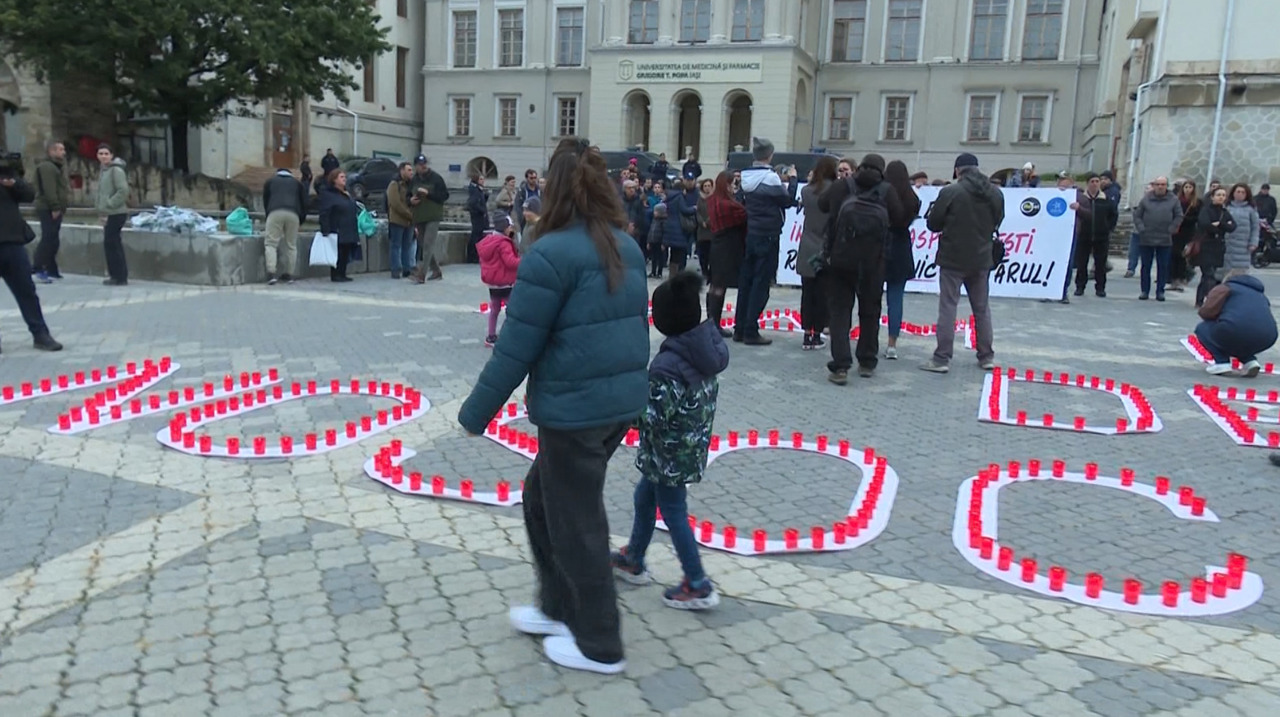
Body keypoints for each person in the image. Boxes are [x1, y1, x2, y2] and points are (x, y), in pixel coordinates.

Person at [457, 137, 649, 675]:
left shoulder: (550, 253)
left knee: (576, 521)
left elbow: (516, 346)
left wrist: (475, 415)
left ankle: (600, 643)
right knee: (542, 499)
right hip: (612, 407)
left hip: (576, 411)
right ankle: (559, 606)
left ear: (555, 188)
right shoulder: (625, 245)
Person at [611, 270, 728, 610]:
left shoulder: (668, 365)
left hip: (668, 455)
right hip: (685, 449)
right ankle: (634, 557)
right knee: (644, 498)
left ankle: (697, 583)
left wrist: (625, 404)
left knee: (673, 512)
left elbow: (652, 416)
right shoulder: (703, 350)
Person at [818, 154, 902, 382]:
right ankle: (867, 361)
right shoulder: (886, 190)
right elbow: (899, 218)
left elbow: (822, 204)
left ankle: (841, 365)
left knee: (839, 311)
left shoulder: (843, 185)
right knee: (870, 311)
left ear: (860, 167)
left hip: (840, 258)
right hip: (874, 262)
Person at [920, 153, 1002, 374]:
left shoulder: (951, 192)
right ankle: (986, 356)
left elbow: (934, 224)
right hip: (982, 257)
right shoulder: (994, 193)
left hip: (953, 257)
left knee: (948, 306)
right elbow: (998, 220)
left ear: (957, 171)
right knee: (981, 308)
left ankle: (942, 358)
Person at [733, 137, 798, 347]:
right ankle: (751, 330)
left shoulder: (745, 176)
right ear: (769, 155)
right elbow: (787, 200)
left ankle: (739, 327)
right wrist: (793, 180)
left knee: (746, 281)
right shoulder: (770, 178)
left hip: (752, 232)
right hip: (769, 233)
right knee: (761, 283)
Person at [0, 164, 63, 353]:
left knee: (26, 291)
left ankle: (40, 334)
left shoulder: (4, 173)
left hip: (12, 243)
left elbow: (29, 195)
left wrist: (13, 183)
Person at [1195, 272, 1276, 377]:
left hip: (1236, 330)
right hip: (1268, 336)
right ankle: (1250, 362)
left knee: (1203, 329)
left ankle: (1221, 362)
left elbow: (1206, 312)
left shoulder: (1226, 288)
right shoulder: (1260, 294)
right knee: (1239, 337)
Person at [883, 160, 922, 359]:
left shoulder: (882, 194)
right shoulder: (912, 198)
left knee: (871, 298)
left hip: (880, 244)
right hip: (901, 247)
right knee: (896, 298)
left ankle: (868, 337)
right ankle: (892, 343)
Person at [796, 158, 836, 351]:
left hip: (807, 243)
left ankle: (806, 333)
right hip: (826, 245)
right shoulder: (834, 190)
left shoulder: (806, 191)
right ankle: (817, 333)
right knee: (822, 294)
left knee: (807, 293)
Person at [705, 171, 746, 338]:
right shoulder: (729, 205)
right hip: (728, 246)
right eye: (732, 183)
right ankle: (714, 323)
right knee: (720, 285)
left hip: (716, 244)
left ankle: (711, 322)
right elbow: (744, 216)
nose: (733, 187)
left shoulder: (712, 201)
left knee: (715, 285)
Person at [1131, 176, 1182, 301]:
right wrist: (1141, 228)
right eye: (1158, 184)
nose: (1160, 187)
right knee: (1145, 266)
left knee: (1163, 266)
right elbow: (1137, 216)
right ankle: (1144, 291)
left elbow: (1179, 216)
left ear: (1167, 186)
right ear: (1154, 185)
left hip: (1165, 238)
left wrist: (1172, 228)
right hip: (1147, 237)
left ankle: (1160, 291)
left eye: (1163, 184)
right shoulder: (1146, 199)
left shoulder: (1174, 200)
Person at [1071, 173, 1119, 298]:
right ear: (1087, 183)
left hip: (1101, 236)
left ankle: (1100, 288)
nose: (1095, 184)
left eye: (1097, 181)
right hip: (1084, 235)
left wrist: (1108, 228)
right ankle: (1080, 287)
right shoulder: (1082, 199)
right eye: (1092, 181)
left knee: (1100, 264)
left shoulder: (1105, 199)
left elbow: (1113, 215)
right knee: (1082, 263)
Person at [477, 210, 520, 347]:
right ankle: (510, 336)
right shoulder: (504, 243)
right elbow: (510, 262)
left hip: (492, 283)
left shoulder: (489, 240)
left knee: (494, 309)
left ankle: (490, 336)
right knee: (512, 310)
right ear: (505, 228)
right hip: (505, 282)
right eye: (510, 227)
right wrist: (524, 261)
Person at [32, 140, 69, 283]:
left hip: (53, 207)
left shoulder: (56, 166)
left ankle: (51, 268)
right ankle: (38, 267)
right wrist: (55, 207)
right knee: (48, 238)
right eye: (60, 149)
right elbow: (49, 189)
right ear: (51, 151)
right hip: (47, 207)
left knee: (53, 239)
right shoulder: (47, 167)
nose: (63, 152)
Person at [261, 166, 306, 285]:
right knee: (291, 245)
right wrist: (301, 219)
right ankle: (289, 274)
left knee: (271, 243)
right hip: (293, 213)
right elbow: (304, 202)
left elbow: (266, 200)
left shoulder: (270, 181)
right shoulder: (297, 184)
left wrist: (268, 214)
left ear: (277, 173)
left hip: (275, 211)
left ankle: (271, 273)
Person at [409, 155, 449, 282]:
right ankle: (436, 271)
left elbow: (444, 196)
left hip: (433, 216)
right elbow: (408, 195)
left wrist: (428, 194)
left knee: (428, 244)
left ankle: (421, 274)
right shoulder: (414, 180)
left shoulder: (436, 178)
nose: (424, 166)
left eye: (425, 163)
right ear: (416, 166)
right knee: (423, 244)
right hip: (419, 216)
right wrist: (410, 200)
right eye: (421, 164)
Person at [95, 144, 130, 286]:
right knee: (111, 244)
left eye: (106, 154)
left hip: (116, 212)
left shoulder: (116, 170)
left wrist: (109, 204)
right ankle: (116, 275)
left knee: (112, 244)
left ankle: (119, 276)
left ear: (111, 155)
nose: (103, 156)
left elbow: (123, 190)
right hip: (109, 212)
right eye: (101, 153)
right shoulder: (104, 171)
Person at [1195, 186, 1235, 307]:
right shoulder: (1206, 210)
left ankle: (1200, 300)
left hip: (1218, 247)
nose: (1221, 197)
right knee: (1209, 274)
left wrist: (1220, 224)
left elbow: (1232, 226)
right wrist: (1220, 227)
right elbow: (1205, 224)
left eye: (1223, 195)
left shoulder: (1224, 212)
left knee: (1208, 276)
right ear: (1212, 197)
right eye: (1218, 195)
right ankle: (1210, 301)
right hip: (1206, 245)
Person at [317, 168, 359, 282]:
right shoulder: (329, 194)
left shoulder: (346, 193)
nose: (344, 179)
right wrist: (325, 229)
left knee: (345, 251)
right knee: (338, 252)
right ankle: (336, 274)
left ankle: (342, 273)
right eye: (341, 177)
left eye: (345, 177)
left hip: (348, 227)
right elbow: (324, 212)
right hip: (337, 227)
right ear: (334, 180)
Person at [662, 174, 699, 276]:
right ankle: (679, 275)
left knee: (673, 254)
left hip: (670, 227)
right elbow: (684, 210)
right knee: (681, 253)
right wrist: (694, 208)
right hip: (679, 228)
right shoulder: (679, 197)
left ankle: (672, 274)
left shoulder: (670, 197)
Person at [385, 162, 416, 278]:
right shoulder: (394, 184)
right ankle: (396, 269)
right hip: (397, 220)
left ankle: (407, 269)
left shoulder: (411, 185)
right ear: (402, 171)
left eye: (412, 170)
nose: (411, 172)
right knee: (396, 245)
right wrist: (408, 214)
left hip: (409, 221)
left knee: (407, 246)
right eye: (409, 170)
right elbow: (395, 203)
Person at [1171, 180, 1201, 290]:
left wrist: (1185, 219)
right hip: (1176, 231)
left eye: (1190, 187)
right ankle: (1174, 278)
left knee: (1183, 255)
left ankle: (1183, 275)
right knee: (1174, 254)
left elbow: (1198, 217)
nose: (1188, 190)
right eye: (1186, 187)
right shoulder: (1177, 200)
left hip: (1188, 231)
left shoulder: (1197, 202)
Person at [1224, 183, 1260, 275]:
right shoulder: (1226, 207)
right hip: (1226, 244)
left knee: (1239, 274)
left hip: (1243, 246)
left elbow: (1255, 227)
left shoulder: (1251, 209)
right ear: (1233, 193)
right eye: (1238, 192)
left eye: (1243, 192)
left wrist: (1253, 243)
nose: (1240, 194)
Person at [466, 173, 489, 264]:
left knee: (477, 235)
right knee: (476, 235)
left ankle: (474, 256)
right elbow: (473, 203)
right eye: (481, 179)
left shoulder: (478, 190)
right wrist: (482, 210)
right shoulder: (475, 190)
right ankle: (472, 256)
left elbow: (480, 201)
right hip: (477, 216)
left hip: (479, 215)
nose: (483, 181)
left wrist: (485, 196)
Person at [695, 178, 714, 280]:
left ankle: (711, 272)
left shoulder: (714, 199)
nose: (707, 188)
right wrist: (701, 221)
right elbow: (697, 212)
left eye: (709, 186)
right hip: (702, 231)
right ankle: (704, 270)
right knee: (702, 253)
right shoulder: (700, 199)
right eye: (705, 186)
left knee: (711, 253)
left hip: (711, 230)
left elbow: (714, 211)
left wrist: (708, 221)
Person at [647, 202, 669, 279]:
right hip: (653, 241)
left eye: (656, 211)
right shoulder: (654, 220)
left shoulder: (664, 221)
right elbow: (650, 231)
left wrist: (664, 243)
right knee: (653, 258)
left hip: (660, 242)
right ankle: (653, 271)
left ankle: (659, 272)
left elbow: (665, 232)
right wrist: (649, 241)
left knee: (660, 258)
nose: (654, 213)